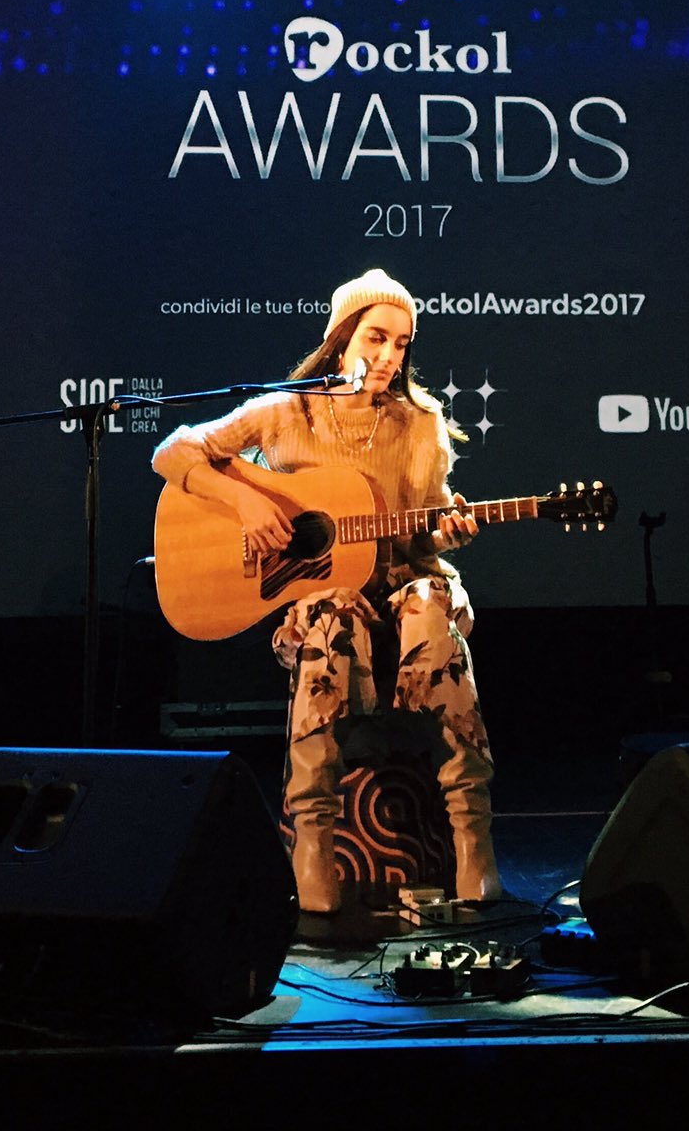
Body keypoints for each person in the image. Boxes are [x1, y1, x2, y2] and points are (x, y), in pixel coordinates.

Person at [150, 268, 499, 915]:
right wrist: (246, 502)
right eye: (376, 338)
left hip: (402, 592)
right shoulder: (285, 410)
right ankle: (312, 838)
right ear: (341, 340)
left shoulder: (419, 424)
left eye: (401, 344)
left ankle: (470, 832)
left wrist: (446, 532)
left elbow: (422, 534)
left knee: (430, 610)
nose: (389, 356)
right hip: (323, 601)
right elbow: (173, 451)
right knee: (331, 614)